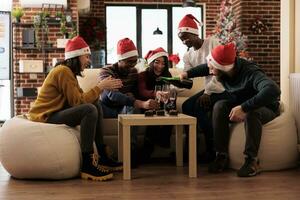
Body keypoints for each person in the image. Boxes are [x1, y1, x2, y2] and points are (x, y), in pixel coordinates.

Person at [28, 36, 124, 181]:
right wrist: (100, 87)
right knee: (89, 109)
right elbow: (78, 102)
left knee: (95, 105)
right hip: (46, 116)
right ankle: (87, 164)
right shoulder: (63, 72)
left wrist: (98, 90)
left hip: (55, 112)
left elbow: (79, 98)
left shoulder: (69, 73)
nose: (89, 61)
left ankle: (102, 156)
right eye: (86, 57)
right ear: (76, 57)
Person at [180, 43, 281, 177]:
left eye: (212, 67)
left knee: (251, 113)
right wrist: (187, 73)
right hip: (243, 101)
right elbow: (206, 67)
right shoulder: (226, 68)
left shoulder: (251, 73)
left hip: (265, 106)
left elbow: (273, 90)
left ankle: (252, 161)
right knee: (220, 105)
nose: (209, 70)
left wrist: (244, 107)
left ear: (222, 67)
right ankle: (221, 155)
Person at [99, 38, 159, 167]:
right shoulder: (106, 71)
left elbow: (135, 93)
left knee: (132, 108)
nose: (132, 65)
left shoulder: (133, 72)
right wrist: (137, 102)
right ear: (120, 59)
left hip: (123, 107)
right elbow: (112, 95)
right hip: (106, 108)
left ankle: (129, 153)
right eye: (129, 62)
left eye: (135, 61)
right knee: (132, 105)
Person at [178, 14, 230, 162]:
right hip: (210, 88)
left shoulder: (213, 42)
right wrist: (173, 84)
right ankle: (192, 145)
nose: (184, 41)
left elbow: (220, 69)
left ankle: (211, 146)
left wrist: (207, 92)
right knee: (187, 106)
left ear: (195, 33)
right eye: (181, 39)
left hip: (222, 86)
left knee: (199, 105)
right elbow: (188, 80)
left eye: (186, 37)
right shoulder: (188, 55)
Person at [138, 47, 173, 162]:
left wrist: (169, 97)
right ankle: (150, 144)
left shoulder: (168, 75)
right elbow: (142, 92)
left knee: (171, 108)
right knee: (153, 110)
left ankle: (162, 141)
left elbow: (171, 92)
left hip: (162, 103)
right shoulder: (143, 75)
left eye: (163, 63)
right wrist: (155, 94)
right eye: (157, 62)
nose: (160, 66)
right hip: (146, 102)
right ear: (151, 63)